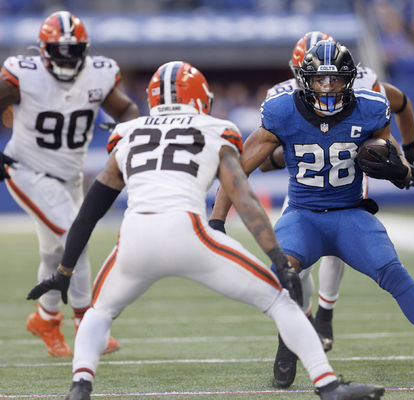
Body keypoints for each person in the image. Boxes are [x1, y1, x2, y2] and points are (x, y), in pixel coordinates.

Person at [26, 61, 385, 400]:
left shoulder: (128, 132)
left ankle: (80, 386)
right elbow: (242, 196)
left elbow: (89, 211)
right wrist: (278, 257)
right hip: (188, 233)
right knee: (279, 300)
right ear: (200, 97)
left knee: (99, 312)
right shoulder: (215, 129)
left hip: (135, 238)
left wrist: (64, 270)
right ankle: (328, 386)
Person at [210, 40, 414, 388]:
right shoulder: (282, 111)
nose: (328, 87)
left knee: (394, 272)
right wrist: (216, 220)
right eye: (320, 79)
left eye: (335, 80)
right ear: (306, 80)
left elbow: (390, 153)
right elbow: (237, 170)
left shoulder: (371, 107)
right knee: (282, 276)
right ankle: (286, 345)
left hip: (350, 214)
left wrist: (402, 170)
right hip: (303, 214)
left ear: (350, 80)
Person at [248, 30, 414, 388]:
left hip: (348, 181)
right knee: (296, 269)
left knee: (338, 244)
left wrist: (408, 155)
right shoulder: (281, 98)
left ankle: (324, 315)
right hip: (304, 189)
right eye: (314, 75)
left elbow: (401, 105)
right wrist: (298, 146)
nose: (325, 86)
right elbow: (264, 162)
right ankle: (305, 319)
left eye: (333, 76)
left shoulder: (365, 83)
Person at [0, 11, 139, 357]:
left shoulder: (99, 73)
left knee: (55, 251)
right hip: (27, 169)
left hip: (70, 175)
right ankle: (86, 324)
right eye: (59, 51)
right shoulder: (23, 74)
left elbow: (126, 111)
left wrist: (129, 137)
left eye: (73, 51)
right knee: (76, 235)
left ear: (84, 50)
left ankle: (45, 318)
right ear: (43, 50)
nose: (66, 58)